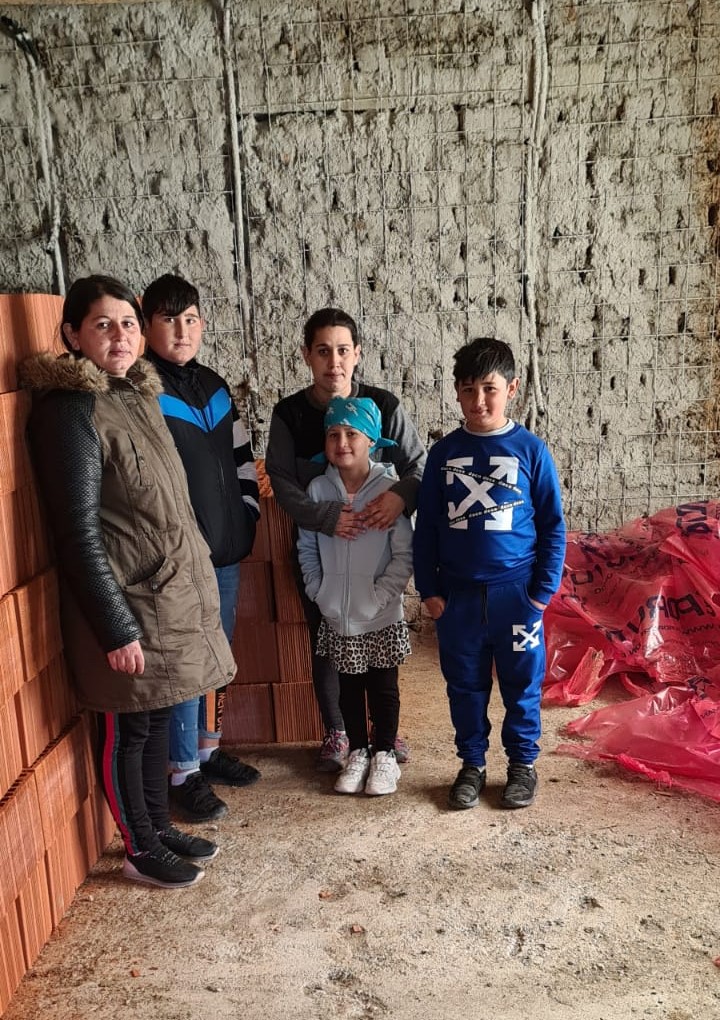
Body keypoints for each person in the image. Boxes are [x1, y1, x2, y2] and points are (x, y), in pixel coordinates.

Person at [20, 275, 237, 889]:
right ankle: (140, 849)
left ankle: (158, 827)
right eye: (102, 325)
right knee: (130, 728)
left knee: (158, 719)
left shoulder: (135, 392)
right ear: (72, 335)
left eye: (128, 324)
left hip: (164, 595)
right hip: (129, 603)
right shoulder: (70, 410)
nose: (120, 336)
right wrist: (114, 626)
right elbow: (76, 532)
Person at [265, 308, 426, 770]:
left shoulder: (384, 405)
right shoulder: (290, 414)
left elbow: (418, 466)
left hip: (376, 555)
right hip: (323, 550)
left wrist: (399, 497)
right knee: (328, 637)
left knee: (378, 641)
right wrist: (325, 517)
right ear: (306, 356)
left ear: (357, 354)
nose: (333, 362)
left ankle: (382, 735)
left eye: (341, 350)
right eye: (322, 351)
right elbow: (281, 479)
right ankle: (338, 731)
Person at [413, 338, 566, 810]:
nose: (478, 401)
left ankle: (522, 765)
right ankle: (472, 764)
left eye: (489, 389)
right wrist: (429, 590)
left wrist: (540, 594)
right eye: (467, 390)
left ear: (512, 388)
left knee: (522, 685)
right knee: (464, 685)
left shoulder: (530, 450)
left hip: (516, 597)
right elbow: (427, 527)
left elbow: (553, 526)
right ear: (457, 392)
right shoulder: (444, 454)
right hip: (457, 598)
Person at [142, 274, 261, 823]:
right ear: (148, 326)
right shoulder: (142, 390)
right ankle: (181, 771)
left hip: (226, 551)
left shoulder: (214, 386)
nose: (181, 330)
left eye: (189, 319)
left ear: (202, 325)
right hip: (180, 559)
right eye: (168, 319)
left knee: (217, 657)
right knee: (186, 667)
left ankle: (209, 753)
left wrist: (248, 513)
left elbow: (241, 460)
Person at [297, 397, 413, 795]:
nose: (342, 442)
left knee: (383, 687)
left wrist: (381, 596)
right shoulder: (317, 490)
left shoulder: (390, 490)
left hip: (380, 613)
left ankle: (384, 755)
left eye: (352, 434)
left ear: (372, 441)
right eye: (333, 434)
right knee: (348, 686)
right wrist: (319, 591)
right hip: (337, 613)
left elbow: (404, 553)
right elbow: (306, 548)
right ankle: (358, 752)